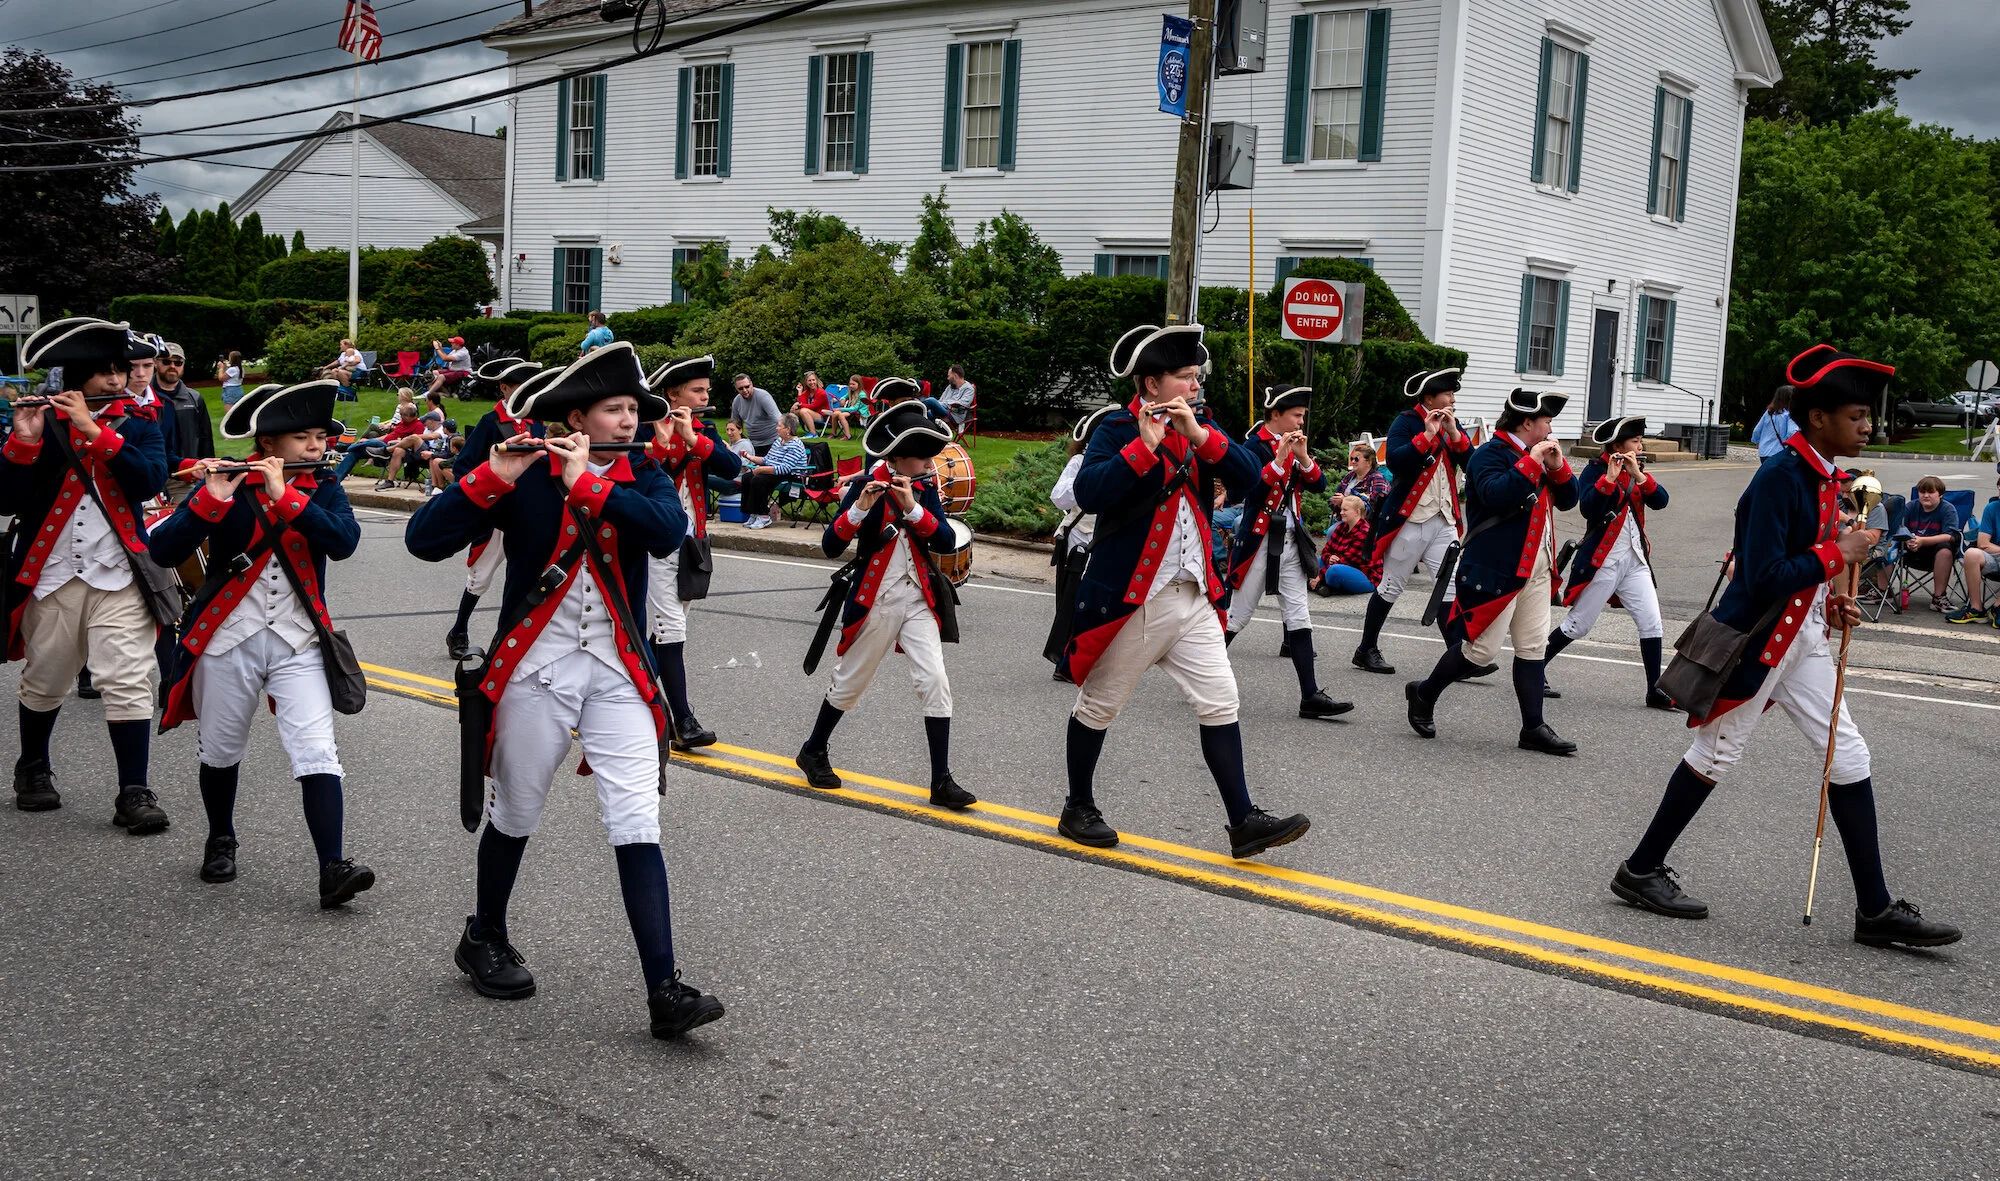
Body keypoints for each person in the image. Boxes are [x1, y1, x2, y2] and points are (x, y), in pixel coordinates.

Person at [405, 341, 726, 1038]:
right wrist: (489, 476)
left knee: (637, 819)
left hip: (617, 671)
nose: (629, 419)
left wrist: (589, 485)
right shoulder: (525, 472)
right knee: (517, 809)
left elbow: (668, 532)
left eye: (633, 408)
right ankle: (483, 933)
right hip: (535, 668)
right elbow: (422, 540)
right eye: (614, 409)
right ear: (577, 415)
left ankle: (663, 990)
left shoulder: (641, 475)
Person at [1608, 344, 1960, 949]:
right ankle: (1640, 869)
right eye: (1856, 416)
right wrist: (1837, 556)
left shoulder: (1825, 476)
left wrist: (1832, 597)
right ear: (1818, 418)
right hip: (1759, 644)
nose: (1867, 425)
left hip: (1804, 638)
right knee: (1715, 755)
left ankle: (1874, 910)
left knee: (1849, 757)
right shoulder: (1780, 477)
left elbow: (1800, 573)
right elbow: (1761, 575)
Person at [1053, 324, 1311, 860]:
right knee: (1099, 704)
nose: (1196, 387)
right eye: (1186, 378)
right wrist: (1144, 447)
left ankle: (1243, 821)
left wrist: (1199, 436)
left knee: (1220, 702)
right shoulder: (1115, 427)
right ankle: (1078, 805)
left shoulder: (1203, 425)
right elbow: (1088, 492)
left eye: (1196, 377)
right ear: (1152, 383)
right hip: (1136, 596)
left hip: (1193, 591)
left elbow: (1252, 479)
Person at [149, 379, 373, 906]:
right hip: (227, 639)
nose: (317, 447)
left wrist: (286, 496)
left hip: (298, 641)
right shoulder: (226, 484)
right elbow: (162, 550)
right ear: (269, 446)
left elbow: (343, 543)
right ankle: (221, 836)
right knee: (222, 750)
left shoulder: (322, 487)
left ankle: (332, 865)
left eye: (321, 436)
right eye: (303, 438)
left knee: (318, 752)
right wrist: (210, 500)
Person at [3, 318, 171, 826]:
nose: (118, 381)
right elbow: (8, 498)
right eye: (105, 373)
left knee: (127, 679)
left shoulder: (140, 425)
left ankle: (134, 792)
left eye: (122, 371)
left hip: (119, 574)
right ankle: (33, 766)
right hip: (52, 573)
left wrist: (96, 432)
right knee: (46, 677)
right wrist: (24, 442)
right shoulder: (42, 424)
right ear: (76, 378)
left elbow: (148, 481)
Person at [793, 394, 975, 811]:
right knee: (850, 682)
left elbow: (945, 541)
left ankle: (941, 781)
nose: (932, 465)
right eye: (924, 458)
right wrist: (858, 509)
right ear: (898, 457)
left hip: (917, 597)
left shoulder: (924, 488)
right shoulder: (863, 485)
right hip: (876, 597)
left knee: (935, 682)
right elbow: (830, 545)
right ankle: (814, 749)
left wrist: (913, 509)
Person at [1405, 388, 1580, 756]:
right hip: (1497, 570)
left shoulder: (1538, 455)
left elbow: (1569, 500)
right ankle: (1423, 693)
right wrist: (1531, 462)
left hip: (1538, 565)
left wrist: (1557, 466)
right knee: (1480, 652)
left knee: (1533, 648)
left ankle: (1533, 727)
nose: (1551, 427)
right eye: (1546, 420)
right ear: (1527, 422)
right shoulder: (1489, 454)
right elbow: (1495, 494)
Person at [1224, 383, 1353, 721]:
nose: (1300, 423)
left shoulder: (1296, 444)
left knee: (1298, 615)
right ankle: (1199, 676)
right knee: (1237, 616)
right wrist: (1280, 458)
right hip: (1258, 540)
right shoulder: (1253, 446)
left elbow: (1319, 485)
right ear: (1276, 414)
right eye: (1296, 416)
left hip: (1290, 539)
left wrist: (1304, 457)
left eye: (1302, 417)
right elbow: (1248, 488)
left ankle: (1310, 696)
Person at [642, 355, 743, 753]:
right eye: (698, 390)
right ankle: (682, 719)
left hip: (692, 541)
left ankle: (635, 688)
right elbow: (641, 476)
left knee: (669, 627)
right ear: (672, 393)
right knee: (672, 628)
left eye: (705, 390)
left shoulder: (704, 428)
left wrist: (693, 438)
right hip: (654, 540)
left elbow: (731, 465)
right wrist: (666, 445)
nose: (706, 395)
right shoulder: (644, 425)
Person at [1351, 368, 1475, 676]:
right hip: (1409, 519)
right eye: (1448, 394)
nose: (1453, 400)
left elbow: (1472, 464)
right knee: (1391, 586)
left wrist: (1455, 435)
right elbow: (1396, 460)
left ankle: (1456, 657)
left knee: (1449, 587)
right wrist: (1429, 434)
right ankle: (1366, 649)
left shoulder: (1452, 423)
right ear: (1430, 397)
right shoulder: (1405, 422)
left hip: (1444, 517)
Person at [1542, 416, 1673, 707]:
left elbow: (1660, 501)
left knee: (1652, 623)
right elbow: (1588, 508)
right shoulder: (1595, 470)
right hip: (1604, 559)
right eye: (1635, 441)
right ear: (1617, 445)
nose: (1640, 446)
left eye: (1640, 441)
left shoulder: (1638, 470)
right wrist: (1610, 478)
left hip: (1635, 559)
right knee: (1578, 625)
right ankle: (1534, 667)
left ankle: (1655, 689)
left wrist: (1639, 475)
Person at [442, 360, 547, 660]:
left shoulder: (536, 421)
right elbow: (463, 467)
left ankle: (511, 637)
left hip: (529, 513)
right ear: (504, 388)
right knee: (481, 576)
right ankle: (459, 629)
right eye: (518, 388)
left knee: (527, 575)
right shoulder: (490, 423)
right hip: (498, 511)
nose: (525, 394)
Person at [1045, 403, 1119, 666]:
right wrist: (1092, 481)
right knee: (1072, 602)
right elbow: (1059, 498)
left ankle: (1090, 656)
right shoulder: (1080, 462)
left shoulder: (1122, 465)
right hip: (1079, 540)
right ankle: (1066, 657)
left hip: (1109, 542)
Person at [739, 412, 812, 529]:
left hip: (791, 475)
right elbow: (767, 459)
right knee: (747, 477)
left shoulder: (795, 445)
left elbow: (785, 468)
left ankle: (763, 516)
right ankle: (753, 512)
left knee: (759, 480)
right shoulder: (778, 441)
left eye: (779, 426)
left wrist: (761, 470)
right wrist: (749, 457)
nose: (776, 428)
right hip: (775, 471)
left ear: (787, 429)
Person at [1900, 475, 1960, 611]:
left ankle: (1939, 597)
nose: (1926, 495)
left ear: (1940, 494)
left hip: (1935, 553)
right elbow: (1900, 529)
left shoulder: (1947, 509)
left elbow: (1950, 536)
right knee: (1889, 543)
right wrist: (1908, 539)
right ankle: (1882, 591)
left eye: (1931, 492)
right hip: (1911, 550)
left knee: (1945, 549)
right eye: (1922, 492)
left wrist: (1923, 541)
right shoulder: (1910, 507)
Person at [149, 341, 215, 465]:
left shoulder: (194, 398)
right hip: (154, 470)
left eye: (178, 363)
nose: (173, 366)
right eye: (166, 361)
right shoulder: (144, 397)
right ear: (156, 363)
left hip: (188, 470)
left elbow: (205, 438)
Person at [1947, 472, 2000, 625]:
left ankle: (1998, 606)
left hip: (1994, 551)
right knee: (1971, 553)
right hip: (1994, 556)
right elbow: (1983, 543)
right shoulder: (1993, 508)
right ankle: (1976, 608)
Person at [330, 403, 424, 486]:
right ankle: (334, 480)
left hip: (391, 449)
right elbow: (389, 435)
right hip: (380, 447)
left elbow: (412, 443)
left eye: (403, 415)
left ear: (410, 415)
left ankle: (346, 448)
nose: (401, 417)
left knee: (373, 442)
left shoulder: (418, 426)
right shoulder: (403, 423)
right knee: (355, 452)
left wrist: (397, 441)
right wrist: (368, 440)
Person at [1317, 495, 1379, 595]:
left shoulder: (1364, 532)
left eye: (1345, 510)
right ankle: (1325, 585)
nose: (1341, 513)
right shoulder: (1341, 527)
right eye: (1341, 509)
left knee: (1334, 571)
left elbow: (1348, 561)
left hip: (1365, 574)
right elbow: (1326, 549)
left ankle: (1323, 584)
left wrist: (1319, 575)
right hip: (1341, 564)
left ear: (1357, 512)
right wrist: (1329, 558)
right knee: (1316, 561)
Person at [729, 372, 782, 456]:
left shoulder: (763, 396)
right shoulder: (737, 401)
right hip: (751, 444)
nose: (745, 390)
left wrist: (789, 437)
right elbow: (734, 425)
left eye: (747, 387)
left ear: (751, 384)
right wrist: (733, 445)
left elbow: (778, 418)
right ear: (736, 388)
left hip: (772, 442)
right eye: (741, 388)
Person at [1335, 441, 1391, 512]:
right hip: (1342, 519)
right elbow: (1334, 499)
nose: (1353, 461)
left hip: (1365, 522)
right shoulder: (1349, 476)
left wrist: (1344, 501)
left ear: (1369, 462)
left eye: (1356, 459)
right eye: (1352, 458)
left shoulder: (1377, 479)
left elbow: (1373, 507)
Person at [1752, 386, 1797, 461]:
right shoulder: (1789, 414)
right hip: (1780, 452)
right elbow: (1792, 432)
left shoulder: (1769, 412)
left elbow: (1756, 430)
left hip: (1764, 452)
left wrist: (1756, 441)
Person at [790, 371, 837, 438]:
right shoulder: (807, 392)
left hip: (823, 417)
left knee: (803, 411)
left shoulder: (821, 393)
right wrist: (800, 391)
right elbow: (802, 403)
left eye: (813, 380)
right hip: (812, 414)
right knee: (793, 410)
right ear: (806, 382)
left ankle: (813, 433)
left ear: (816, 381)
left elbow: (812, 407)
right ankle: (791, 433)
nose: (812, 382)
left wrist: (798, 404)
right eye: (809, 381)